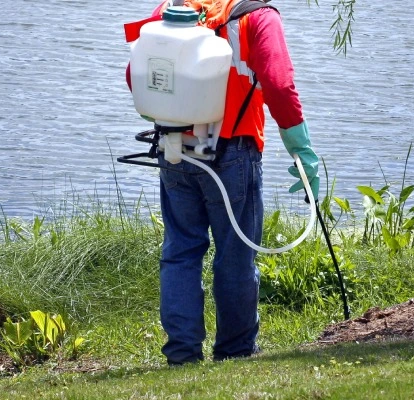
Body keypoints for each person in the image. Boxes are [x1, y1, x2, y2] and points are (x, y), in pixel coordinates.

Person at [127, 0, 321, 365]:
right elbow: (279, 84)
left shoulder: (172, 8)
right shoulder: (258, 16)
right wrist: (300, 146)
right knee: (235, 255)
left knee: (181, 250)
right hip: (233, 151)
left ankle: (182, 354)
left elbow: (135, 74)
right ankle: (235, 350)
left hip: (174, 149)